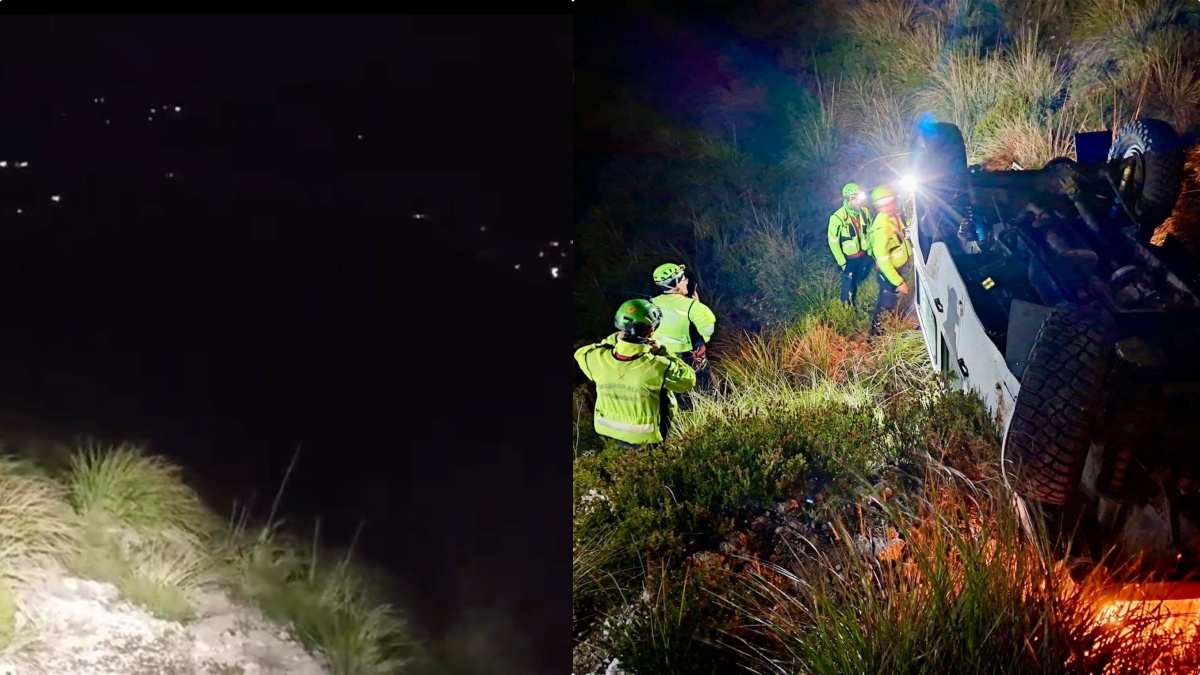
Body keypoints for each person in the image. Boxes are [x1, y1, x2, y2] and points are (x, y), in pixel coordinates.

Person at [574, 299, 697, 449]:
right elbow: (687, 380)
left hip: (609, 430)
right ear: (651, 331)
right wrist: (661, 351)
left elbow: (581, 352)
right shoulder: (657, 365)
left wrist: (617, 340)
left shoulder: (595, 358)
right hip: (647, 437)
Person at [649, 263, 716, 394]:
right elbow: (708, 330)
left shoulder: (651, 303)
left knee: (676, 394)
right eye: (683, 278)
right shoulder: (692, 306)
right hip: (692, 358)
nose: (686, 281)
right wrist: (696, 304)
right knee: (707, 391)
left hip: (664, 359)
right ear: (675, 283)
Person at [867, 185, 915, 336]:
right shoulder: (881, 228)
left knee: (893, 299)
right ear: (877, 206)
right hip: (888, 273)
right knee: (886, 302)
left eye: (889, 201)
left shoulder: (894, 216)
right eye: (883, 203)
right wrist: (898, 282)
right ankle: (875, 335)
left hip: (898, 267)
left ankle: (895, 316)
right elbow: (883, 261)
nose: (888, 206)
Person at [828, 182, 875, 306]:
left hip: (864, 253)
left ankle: (858, 290)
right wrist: (841, 262)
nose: (859, 202)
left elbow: (870, 231)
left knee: (860, 276)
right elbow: (833, 242)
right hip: (849, 258)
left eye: (859, 198)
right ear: (848, 200)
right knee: (848, 283)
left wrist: (870, 251)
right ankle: (846, 307)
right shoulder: (837, 218)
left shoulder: (865, 212)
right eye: (855, 199)